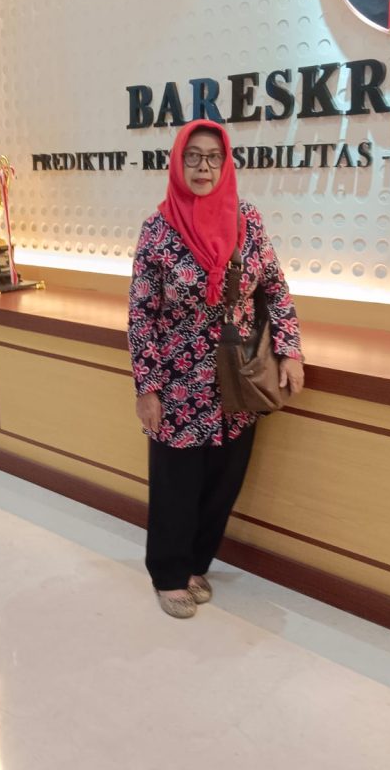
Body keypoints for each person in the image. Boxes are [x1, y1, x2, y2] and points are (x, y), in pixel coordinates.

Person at [128, 119, 304, 618]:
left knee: (224, 478)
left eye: (213, 157)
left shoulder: (247, 220)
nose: (203, 167)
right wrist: (148, 387)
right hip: (178, 381)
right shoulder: (158, 229)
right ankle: (169, 572)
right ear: (177, 162)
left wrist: (290, 349)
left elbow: (275, 287)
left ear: (226, 164)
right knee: (176, 481)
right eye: (193, 156)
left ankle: (196, 564)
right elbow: (141, 313)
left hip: (238, 375)